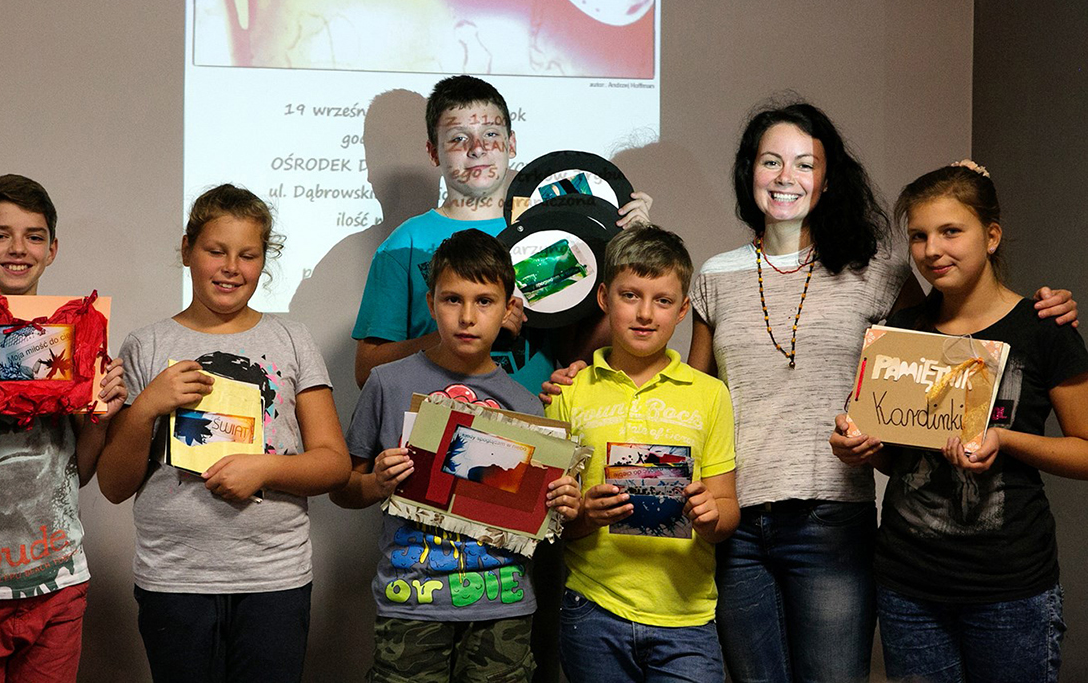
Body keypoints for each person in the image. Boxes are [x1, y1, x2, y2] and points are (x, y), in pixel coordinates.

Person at [679, 103, 1077, 683]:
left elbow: (954, 333)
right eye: (770, 161)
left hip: (834, 519)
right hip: (737, 518)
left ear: (827, 179)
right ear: (749, 172)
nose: (786, 176)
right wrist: (595, 373)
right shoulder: (716, 275)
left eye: (804, 163)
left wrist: (1043, 309)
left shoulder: (881, 271)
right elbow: (694, 397)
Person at [831, 163, 1088, 683]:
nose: (932, 250)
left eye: (951, 231)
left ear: (991, 236)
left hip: (1010, 587)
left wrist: (1005, 440)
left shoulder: (1044, 329)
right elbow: (895, 456)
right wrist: (857, 446)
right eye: (919, 236)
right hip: (907, 585)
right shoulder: (899, 332)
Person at [97, 184, 350, 683]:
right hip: (174, 578)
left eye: (248, 255)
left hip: (274, 576)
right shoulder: (147, 344)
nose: (231, 267)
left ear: (264, 260)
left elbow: (334, 463)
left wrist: (265, 468)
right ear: (188, 249)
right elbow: (113, 485)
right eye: (216, 251)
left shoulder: (292, 339)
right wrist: (147, 405)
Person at [334, 228, 581, 683]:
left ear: (509, 310)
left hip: (503, 605)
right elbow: (344, 489)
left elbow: (543, 519)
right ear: (431, 304)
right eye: (452, 300)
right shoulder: (387, 383)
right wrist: (376, 483)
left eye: (484, 302)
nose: (467, 317)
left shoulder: (526, 405)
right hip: (411, 601)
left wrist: (563, 502)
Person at [0, 174, 127, 683]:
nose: (18, 248)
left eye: (34, 236)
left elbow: (80, 472)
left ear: (52, 249)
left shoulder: (74, 341)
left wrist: (100, 420)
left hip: (58, 580)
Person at [351, 75, 651, 394]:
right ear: (433, 152)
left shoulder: (554, 233)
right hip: (438, 415)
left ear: (512, 143)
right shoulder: (405, 245)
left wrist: (630, 252)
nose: (477, 149)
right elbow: (367, 371)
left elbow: (585, 354)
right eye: (458, 138)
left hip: (533, 416)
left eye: (491, 135)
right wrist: (453, 334)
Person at [546, 224, 737, 683]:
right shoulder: (568, 392)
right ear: (604, 298)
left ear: (683, 309)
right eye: (630, 296)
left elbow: (727, 507)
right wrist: (585, 515)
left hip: (686, 615)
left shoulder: (710, 394)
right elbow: (551, 520)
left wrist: (711, 517)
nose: (645, 313)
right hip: (593, 607)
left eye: (663, 300)